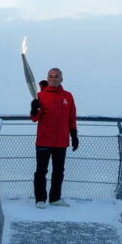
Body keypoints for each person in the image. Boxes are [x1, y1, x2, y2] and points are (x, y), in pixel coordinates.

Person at [30, 68, 78, 208]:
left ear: (61, 79)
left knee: (58, 171)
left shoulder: (68, 96)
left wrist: (74, 135)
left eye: (56, 76)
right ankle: (40, 199)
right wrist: (34, 109)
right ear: (47, 78)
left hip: (61, 141)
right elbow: (35, 118)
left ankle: (55, 198)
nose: (53, 78)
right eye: (50, 76)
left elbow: (71, 118)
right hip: (44, 140)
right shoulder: (39, 96)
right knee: (41, 171)